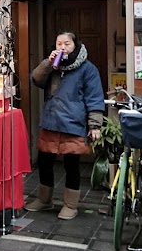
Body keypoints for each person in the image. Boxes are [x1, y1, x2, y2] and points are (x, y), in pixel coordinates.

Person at [26, 31, 104, 220]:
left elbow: (94, 97)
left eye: (67, 44)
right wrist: (47, 63)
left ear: (75, 46)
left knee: (71, 165)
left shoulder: (87, 69)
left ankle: (70, 205)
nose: (62, 47)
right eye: (59, 43)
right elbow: (36, 79)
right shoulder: (53, 66)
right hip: (51, 120)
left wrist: (95, 125)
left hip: (73, 122)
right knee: (45, 162)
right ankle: (44, 200)